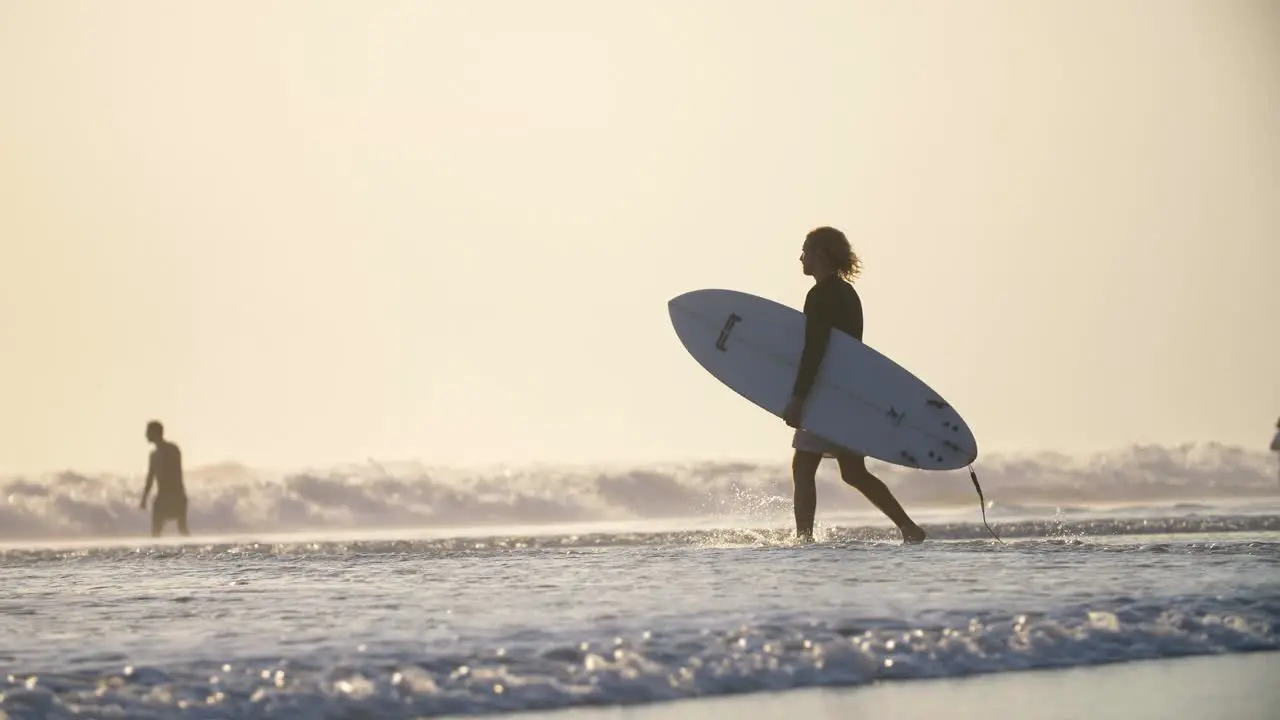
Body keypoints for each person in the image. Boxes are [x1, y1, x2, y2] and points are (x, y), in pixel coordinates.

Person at [782, 226, 926, 544]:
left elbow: (815, 349)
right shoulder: (848, 293)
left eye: (805, 249)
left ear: (820, 254)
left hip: (825, 396)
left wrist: (799, 397)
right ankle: (908, 528)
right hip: (848, 395)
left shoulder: (821, 296)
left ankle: (803, 539)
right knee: (854, 473)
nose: (801, 256)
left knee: (803, 468)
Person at [139, 420, 189, 537]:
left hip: (173, 496)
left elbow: (175, 473)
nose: (146, 435)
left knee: (180, 528)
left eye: (148, 432)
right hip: (168, 496)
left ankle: (193, 553)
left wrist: (145, 499)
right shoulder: (155, 454)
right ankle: (159, 554)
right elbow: (150, 478)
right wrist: (144, 498)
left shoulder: (171, 450)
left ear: (155, 433)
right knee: (159, 530)